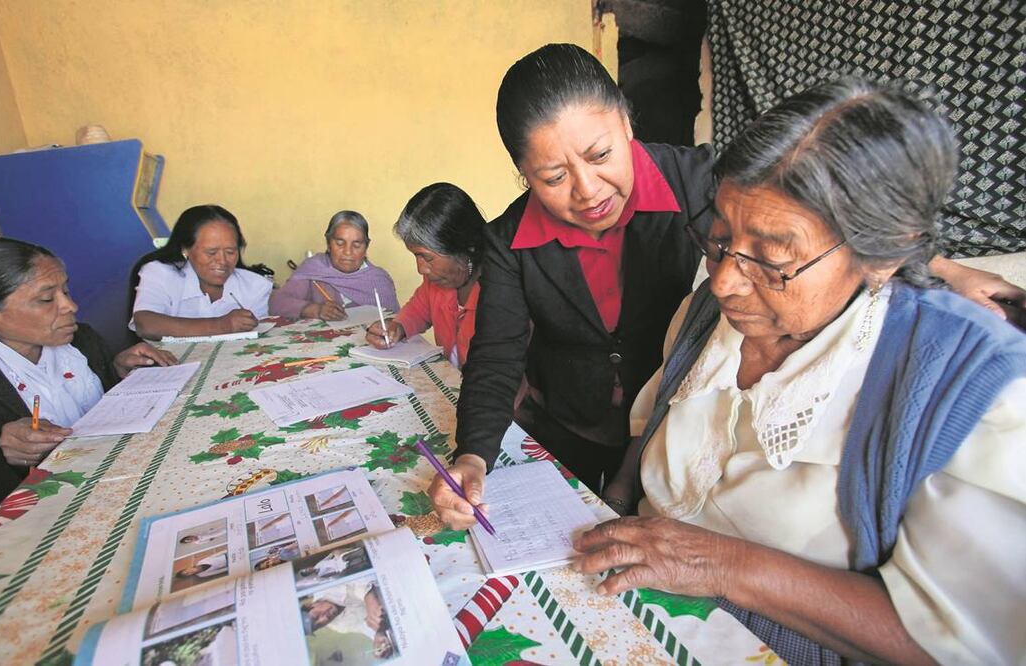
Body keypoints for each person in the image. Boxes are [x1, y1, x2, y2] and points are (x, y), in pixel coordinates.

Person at [429, 43, 1025, 517]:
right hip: (576, 420)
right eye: (553, 175)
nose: (587, 191)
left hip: (662, 409)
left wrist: (939, 267)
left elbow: (817, 218)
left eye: (601, 154)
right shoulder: (508, 241)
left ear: (626, 121)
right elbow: (497, 351)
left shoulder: (699, 181)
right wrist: (474, 454)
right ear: (522, 173)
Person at [567, 79, 1026, 664]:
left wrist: (723, 565)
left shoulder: (975, 390)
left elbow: (959, 645)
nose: (726, 281)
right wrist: (617, 502)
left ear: (884, 254)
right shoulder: (709, 311)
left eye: (772, 259)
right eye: (720, 240)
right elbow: (653, 424)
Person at [0, 238, 177, 549]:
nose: (71, 306)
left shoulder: (79, 341)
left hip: (113, 489)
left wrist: (115, 371)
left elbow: (93, 416)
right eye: (45, 299)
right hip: (30, 536)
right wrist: (7, 458)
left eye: (65, 291)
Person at [365, 183, 486, 368]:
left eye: (427, 257)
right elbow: (419, 309)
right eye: (416, 256)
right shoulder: (439, 281)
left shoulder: (500, 287)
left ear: (465, 247)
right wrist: (397, 327)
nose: (421, 269)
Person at [130, 204, 272, 340]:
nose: (222, 261)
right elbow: (146, 324)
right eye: (211, 252)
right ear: (185, 249)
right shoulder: (160, 273)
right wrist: (223, 325)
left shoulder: (255, 285)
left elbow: (258, 341)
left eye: (230, 252)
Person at [269, 211, 399, 321]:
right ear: (329, 244)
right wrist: (314, 309)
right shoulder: (314, 269)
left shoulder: (379, 279)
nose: (348, 252)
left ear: (366, 247)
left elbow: (395, 321)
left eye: (357, 244)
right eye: (340, 243)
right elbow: (276, 303)